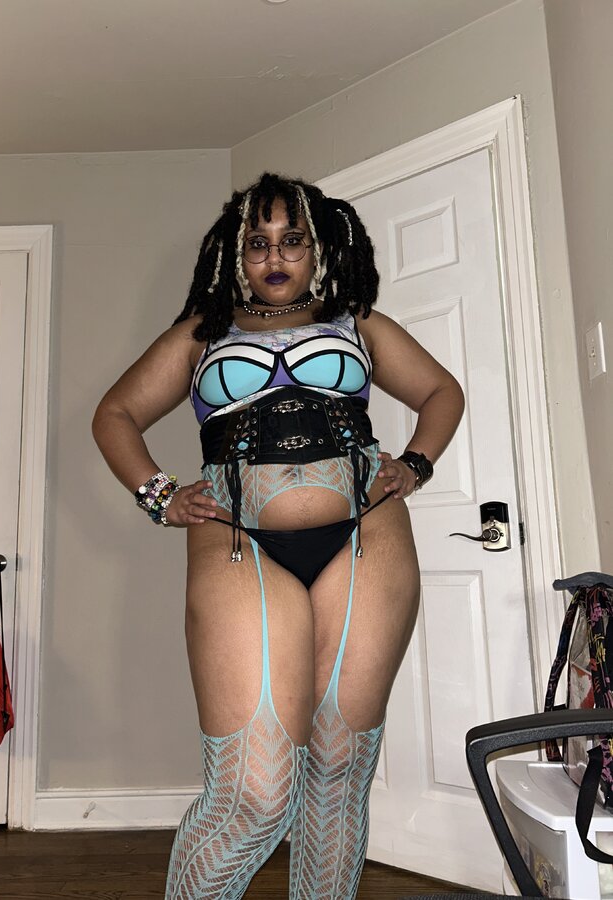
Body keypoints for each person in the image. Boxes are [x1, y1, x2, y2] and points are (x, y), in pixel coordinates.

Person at [92, 172, 465, 899]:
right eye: (256, 242)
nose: (274, 256)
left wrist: (414, 464)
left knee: (337, 769)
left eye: (291, 239)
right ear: (235, 253)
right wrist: (160, 495)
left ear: (317, 247)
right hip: (237, 540)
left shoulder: (358, 323)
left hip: (366, 538)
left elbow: (440, 391)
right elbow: (115, 414)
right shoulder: (201, 334)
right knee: (253, 794)